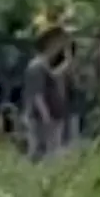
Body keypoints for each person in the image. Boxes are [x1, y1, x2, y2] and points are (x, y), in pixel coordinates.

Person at [23, 27, 70, 161]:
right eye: (60, 42)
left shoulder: (44, 65)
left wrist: (68, 60)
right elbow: (37, 95)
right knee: (41, 154)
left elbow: (54, 76)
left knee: (51, 153)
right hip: (41, 119)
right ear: (51, 43)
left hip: (51, 117)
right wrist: (47, 118)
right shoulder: (36, 66)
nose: (62, 45)